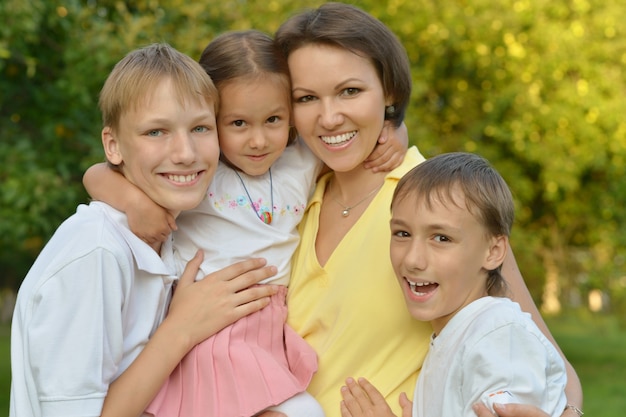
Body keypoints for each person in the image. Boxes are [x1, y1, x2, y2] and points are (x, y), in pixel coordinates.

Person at [273, 3, 583, 417]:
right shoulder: (288, 205)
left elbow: (552, 368)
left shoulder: (443, 207)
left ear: (390, 93)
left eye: (350, 91)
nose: (329, 117)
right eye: (307, 97)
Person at [82, 30, 405, 416]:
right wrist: (135, 203)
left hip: (266, 329)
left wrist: (394, 132)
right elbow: (97, 174)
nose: (258, 140)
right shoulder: (201, 172)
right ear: (211, 118)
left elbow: (351, 137)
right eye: (237, 124)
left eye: (273, 119)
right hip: (213, 326)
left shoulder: (300, 161)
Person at [9, 43, 279, 417]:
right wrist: (181, 328)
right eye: (156, 132)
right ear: (113, 145)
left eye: (200, 127)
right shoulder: (96, 253)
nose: (185, 152)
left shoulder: (170, 233)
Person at [339, 152, 568, 417]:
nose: (413, 259)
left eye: (442, 238)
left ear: (493, 251)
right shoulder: (460, 335)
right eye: (402, 233)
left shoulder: (499, 338)